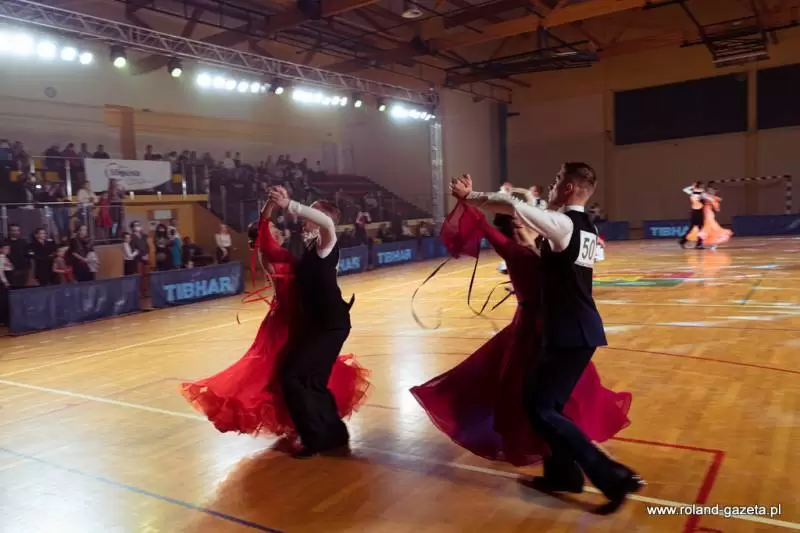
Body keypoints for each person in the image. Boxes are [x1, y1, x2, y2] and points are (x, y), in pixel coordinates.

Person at [451, 165, 644, 514]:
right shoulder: (587, 229)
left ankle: (611, 475)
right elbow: (560, 268)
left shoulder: (564, 224)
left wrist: (471, 197)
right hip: (580, 329)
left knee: (539, 408)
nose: (552, 186)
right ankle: (563, 474)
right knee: (549, 407)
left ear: (568, 187)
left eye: (556, 181)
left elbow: (514, 205)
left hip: (568, 332)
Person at [411, 188, 632, 469]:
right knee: (532, 397)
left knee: (558, 397)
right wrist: (466, 198)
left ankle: (563, 461)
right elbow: (481, 225)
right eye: (520, 216)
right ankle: (559, 461)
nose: (526, 219)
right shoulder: (512, 248)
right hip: (531, 329)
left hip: (557, 326)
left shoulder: (548, 244)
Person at [180, 198, 369, 440]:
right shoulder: (270, 250)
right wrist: (271, 205)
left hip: (309, 319)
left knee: (300, 376)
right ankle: (316, 431)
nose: (278, 229)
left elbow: (321, 234)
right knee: (287, 374)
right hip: (289, 318)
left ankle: (320, 430)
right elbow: (264, 224)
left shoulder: (316, 244)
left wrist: (284, 204)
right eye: (272, 228)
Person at [268, 185, 358, 458]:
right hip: (319, 323)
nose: (305, 216)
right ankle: (334, 434)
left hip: (330, 324)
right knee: (313, 381)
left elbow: (327, 223)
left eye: (312, 212)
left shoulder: (326, 244)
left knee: (292, 377)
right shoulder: (310, 247)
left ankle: (313, 438)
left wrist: (290, 204)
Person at [684, 185, 732, 251]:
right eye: (710, 190)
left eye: (712, 190)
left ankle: (712, 244)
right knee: (703, 229)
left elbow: (717, 208)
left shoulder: (712, 198)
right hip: (703, 214)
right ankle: (700, 244)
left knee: (712, 228)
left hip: (709, 214)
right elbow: (690, 193)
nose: (711, 191)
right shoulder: (705, 195)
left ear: (714, 192)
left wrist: (714, 202)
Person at [679, 181, 706, 249]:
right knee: (700, 228)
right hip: (698, 212)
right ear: (699, 186)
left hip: (694, 212)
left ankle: (683, 241)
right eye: (702, 185)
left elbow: (685, 189)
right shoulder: (701, 193)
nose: (703, 186)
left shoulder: (693, 192)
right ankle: (698, 244)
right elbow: (707, 197)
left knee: (692, 228)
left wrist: (692, 187)